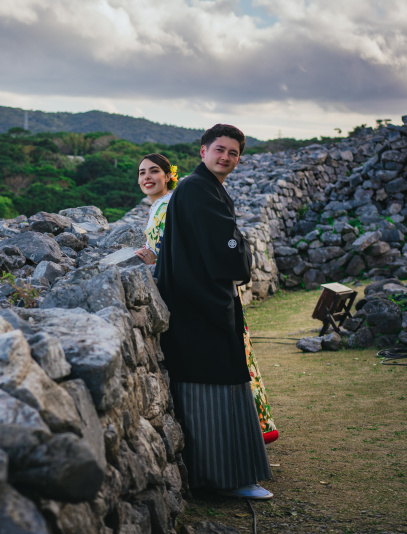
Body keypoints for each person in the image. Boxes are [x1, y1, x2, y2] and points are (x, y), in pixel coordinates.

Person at [155, 124, 273, 499]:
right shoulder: (196, 189)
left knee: (218, 383)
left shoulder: (207, 187)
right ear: (203, 150)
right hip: (198, 304)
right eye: (219, 149)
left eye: (233, 152)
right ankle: (224, 479)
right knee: (211, 388)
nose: (226, 157)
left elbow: (228, 244)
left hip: (201, 300)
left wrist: (238, 246)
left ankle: (230, 473)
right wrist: (242, 250)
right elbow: (229, 254)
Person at [134, 153, 177, 265]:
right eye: (142, 173)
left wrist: (154, 261)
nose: (147, 176)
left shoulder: (167, 207)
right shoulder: (160, 205)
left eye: (154, 171)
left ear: (167, 176)